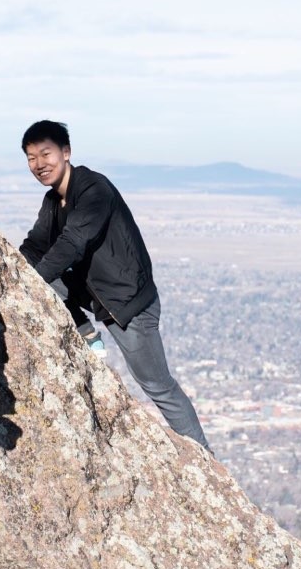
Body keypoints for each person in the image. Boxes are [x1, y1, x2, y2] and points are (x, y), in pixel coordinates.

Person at [19, 120, 212, 453]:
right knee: (37, 278)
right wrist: (10, 272)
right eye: (31, 157)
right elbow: (36, 245)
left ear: (66, 152)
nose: (39, 164)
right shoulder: (54, 202)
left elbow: (72, 242)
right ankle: (84, 332)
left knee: (157, 385)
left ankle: (205, 458)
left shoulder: (94, 189)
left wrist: (31, 279)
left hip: (128, 304)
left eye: (45, 154)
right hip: (97, 293)